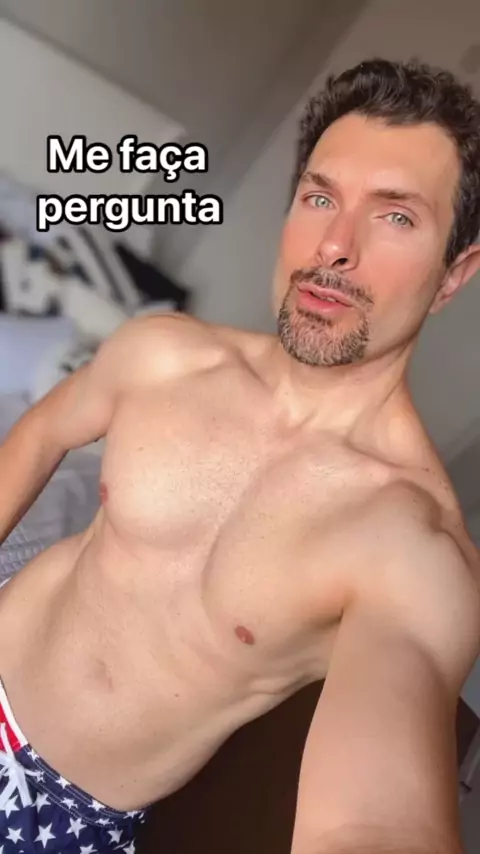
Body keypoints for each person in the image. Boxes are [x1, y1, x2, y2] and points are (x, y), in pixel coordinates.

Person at [0, 57, 480, 854]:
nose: (335, 245)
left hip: (57, 815)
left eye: (396, 217)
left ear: (454, 272)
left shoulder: (415, 551)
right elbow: (41, 434)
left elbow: (372, 824)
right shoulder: (164, 353)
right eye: (320, 198)